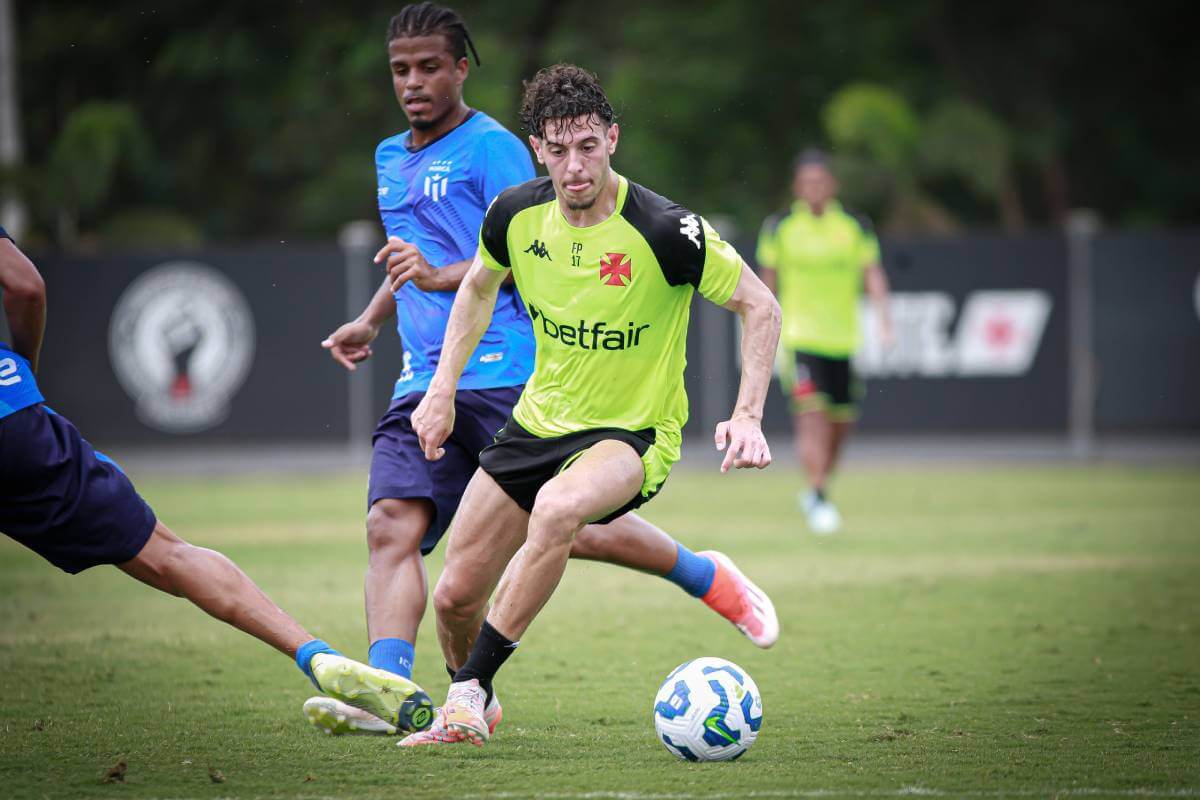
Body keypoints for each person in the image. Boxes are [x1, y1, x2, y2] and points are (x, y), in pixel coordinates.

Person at [312, 4, 778, 737]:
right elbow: (473, 288)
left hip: (630, 433)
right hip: (536, 419)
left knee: (561, 514)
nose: (575, 168)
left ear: (612, 140)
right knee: (455, 598)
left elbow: (760, 306)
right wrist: (436, 391)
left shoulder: (666, 229)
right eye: (559, 152)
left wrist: (747, 414)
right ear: (538, 150)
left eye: (589, 148)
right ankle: (478, 707)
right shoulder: (515, 215)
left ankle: (464, 694)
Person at [0, 226, 435, 734]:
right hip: (15, 418)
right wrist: (20, 370)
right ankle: (314, 656)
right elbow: (26, 286)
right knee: (168, 553)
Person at [756, 148, 892, 535]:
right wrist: (763, 325)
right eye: (807, 182)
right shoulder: (780, 226)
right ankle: (816, 494)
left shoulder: (854, 226)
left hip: (844, 340)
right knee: (811, 416)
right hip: (801, 338)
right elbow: (767, 282)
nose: (814, 188)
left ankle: (819, 487)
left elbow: (873, 273)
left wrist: (885, 319)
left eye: (821, 181)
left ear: (832, 184)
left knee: (840, 424)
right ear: (797, 186)